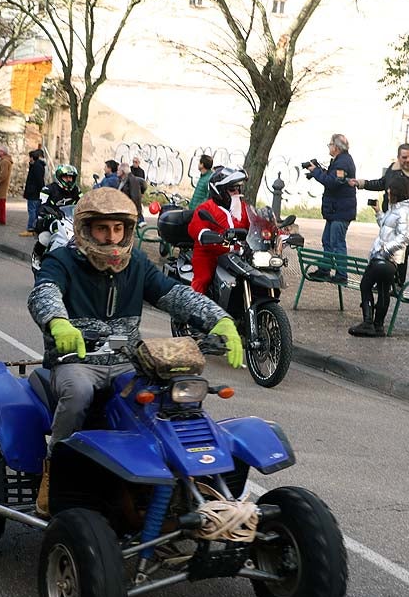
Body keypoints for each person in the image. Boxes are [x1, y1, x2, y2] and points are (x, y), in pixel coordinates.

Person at [27, 188, 244, 515]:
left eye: (118, 229)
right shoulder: (62, 260)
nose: (111, 238)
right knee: (79, 392)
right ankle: (55, 469)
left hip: (127, 360)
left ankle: (165, 481)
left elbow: (175, 295)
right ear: (85, 230)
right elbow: (44, 292)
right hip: (77, 360)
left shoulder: (138, 264)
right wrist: (58, 322)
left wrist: (220, 320)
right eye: (102, 229)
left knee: (166, 398)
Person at [353, 143, 409, 288]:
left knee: (400, 253)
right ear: (398, 158)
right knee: (383, 249)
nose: (408, 160)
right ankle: (383, 282)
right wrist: (361, 183)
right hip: (390, 216)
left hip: (407, 219)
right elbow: (382, 183)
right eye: (404, 157)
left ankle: (396, 283)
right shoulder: (393, 168)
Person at [348, 176, 409, 337]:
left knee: (366, 285)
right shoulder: (395, 208)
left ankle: (368, 323)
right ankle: (378, 326)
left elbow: (405, 236)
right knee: (383, 289)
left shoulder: (405, 211)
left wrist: (385, 250)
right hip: (384, 258)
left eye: (390, 189)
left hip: (387, 259)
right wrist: (378, 212)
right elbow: (386, 227)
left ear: (398, 191)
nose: (387, 191)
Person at [186, 167, 250, 295]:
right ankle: (192, 309)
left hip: (237, 253)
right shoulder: (207, 207)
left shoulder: (242, 208)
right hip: (209, 253)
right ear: (220, 191)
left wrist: (276, 232)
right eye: (232, 189)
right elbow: (195, 227)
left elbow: (255, 222)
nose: (237, 192)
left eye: (238, 188)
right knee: (203, 279)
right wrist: (205, 234)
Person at [305, 133, 356, 283]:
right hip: (336, 210)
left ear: (336, 147)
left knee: (337, 243)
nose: (329, 147)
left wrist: (315, 172)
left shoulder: (343, 163)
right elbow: (333, 178)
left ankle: (341, 275)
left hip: (340, 211)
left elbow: (332, 182)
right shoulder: (340, 161)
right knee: (327, 240)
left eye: (330, 144)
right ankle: (325, 270)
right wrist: (318, 171)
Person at [21, 149, 46, 237]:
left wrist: (42, 190)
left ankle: (31, 228)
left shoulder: (37, 166)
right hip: (35, 192)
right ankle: (34, 227)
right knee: (34, 211)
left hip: (34, 192)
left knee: (32, 210)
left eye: (31, 158)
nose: (30, 160)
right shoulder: (37, 165)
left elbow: (38, 180)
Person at [117, 161, 147, 226]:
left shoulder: (132, 180)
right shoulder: (123, 180)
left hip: (129, 210)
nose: (117, 171)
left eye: (118, 170)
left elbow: (135, 197)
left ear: (123, 171)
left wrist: (134, 211)